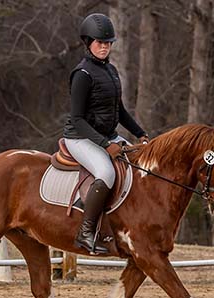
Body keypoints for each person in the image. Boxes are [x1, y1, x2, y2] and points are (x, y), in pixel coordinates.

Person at [63, 13, 149, 255]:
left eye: (108, 43)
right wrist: (105, 144)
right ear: (88, 42)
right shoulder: (82, 74)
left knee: (139, 163)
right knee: (106, 172)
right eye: (100, 42)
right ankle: (86, 232)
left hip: (106, 136)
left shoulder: (110, 70)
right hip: (80, 138)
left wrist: (141, 134)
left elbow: (119, 111)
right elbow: (78, 120)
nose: (104, 46)